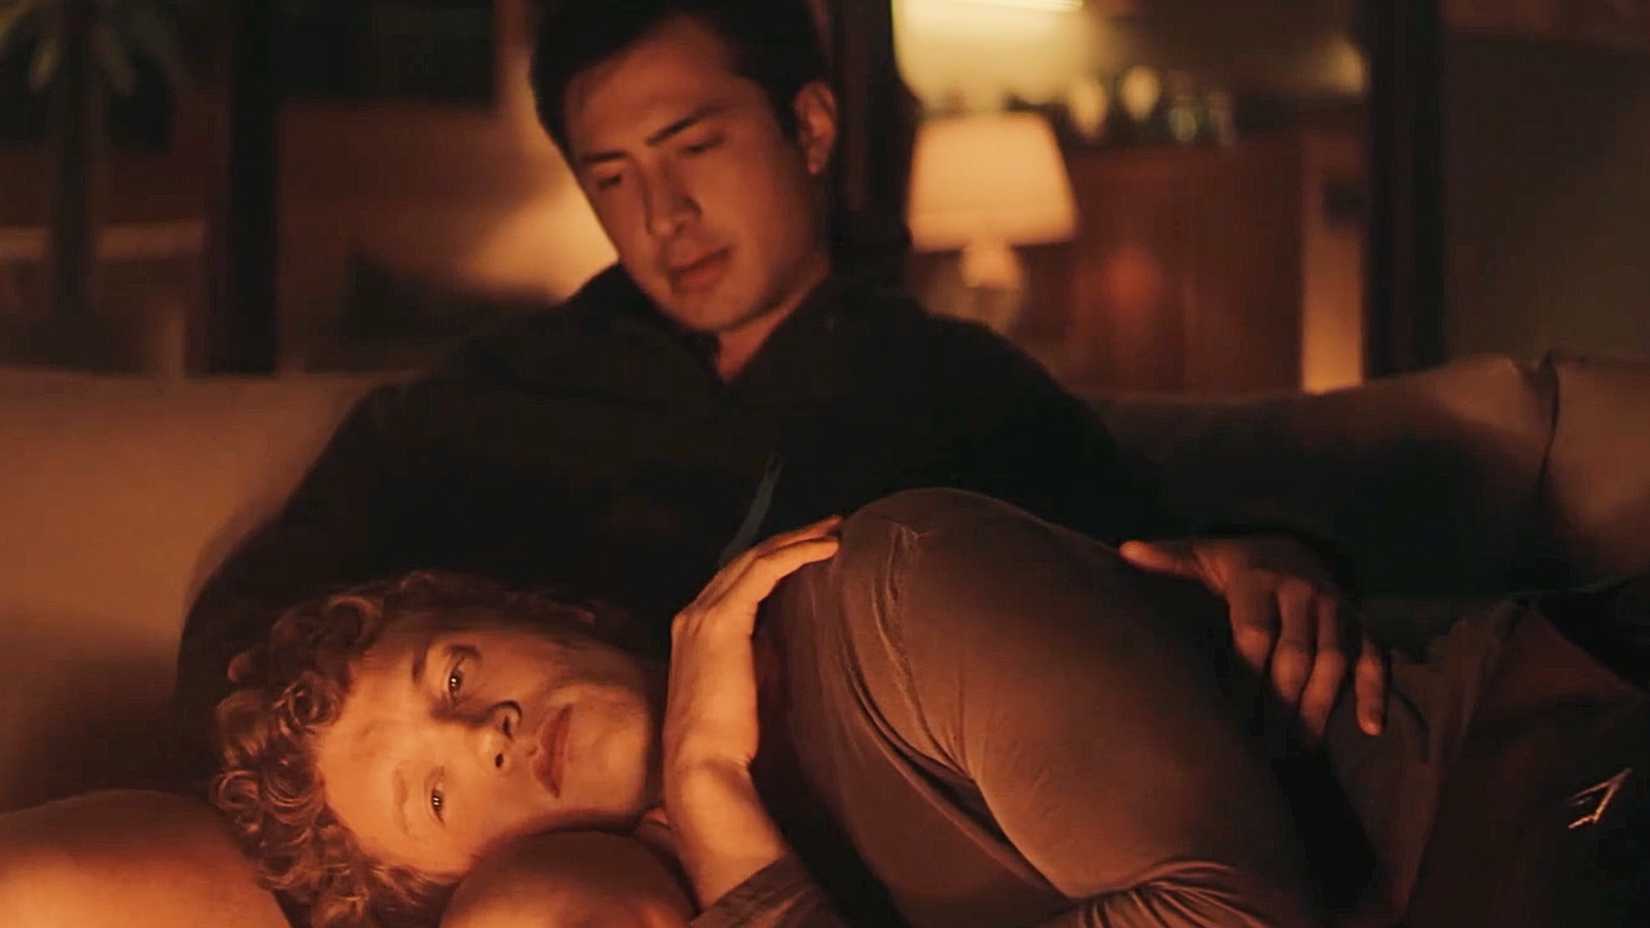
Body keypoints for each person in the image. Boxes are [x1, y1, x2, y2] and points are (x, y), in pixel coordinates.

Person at [176, 0, 1383, 789]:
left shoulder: (951, 388)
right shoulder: (488, 399)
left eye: (694, 148)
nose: (665, 215)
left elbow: (1156, 557)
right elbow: (242, 645)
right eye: (614, 177)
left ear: (807, 126)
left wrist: (1274, 557)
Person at [212, 489, 1650, 928]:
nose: (481, 734)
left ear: (546, 617)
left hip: (1525, 764)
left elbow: (1236, 920)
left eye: (453, 674)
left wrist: (716, 801)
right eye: (436, 794)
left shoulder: (886, 595)